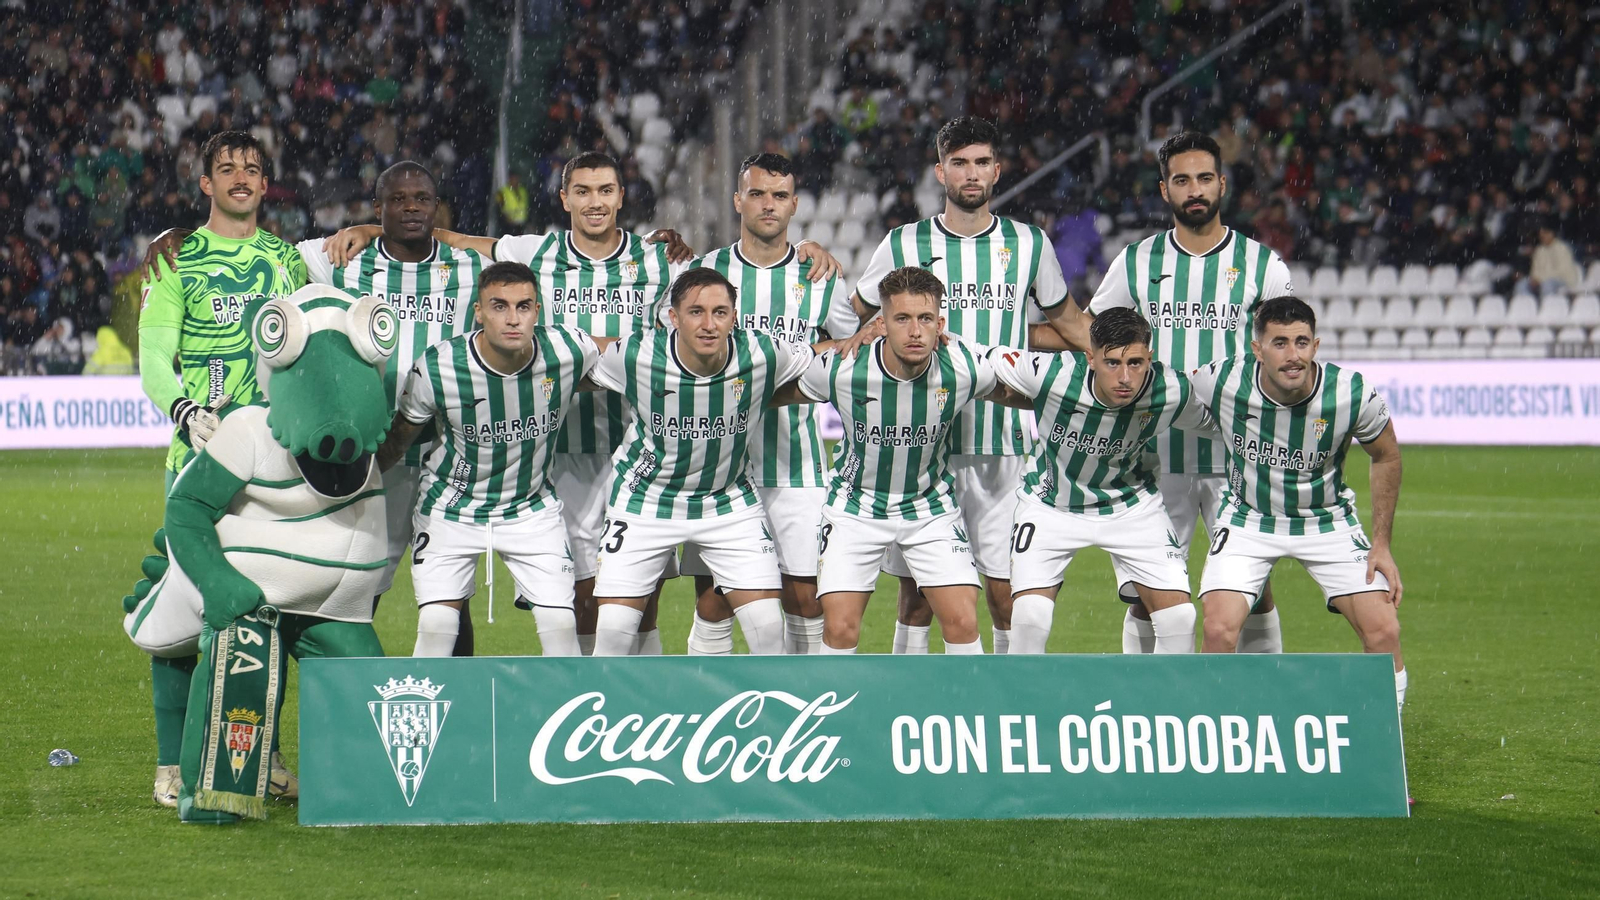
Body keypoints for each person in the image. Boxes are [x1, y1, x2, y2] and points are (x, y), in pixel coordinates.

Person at [325, 151, 839, 655]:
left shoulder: (658, 257)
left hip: (642, 447)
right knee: (586, 593)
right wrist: (372, 231)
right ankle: (601, 688)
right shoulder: (534, 252)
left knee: (647, 590)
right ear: (565, 198)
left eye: (606, 191)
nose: (596, 202)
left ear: (620, 198)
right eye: (584, 191)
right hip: (559, 450)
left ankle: (645, 685)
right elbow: (445, 239)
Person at [147, 162, 489, 645]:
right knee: (357, 583)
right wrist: (178, 236)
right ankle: (349, 689)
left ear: (437, 206)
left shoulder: (470, 267)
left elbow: (516, 259)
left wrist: (378, 228)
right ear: (378, 207)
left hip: (447, 455)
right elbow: (250, 245)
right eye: (397, 200)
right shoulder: (337, 260)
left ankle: (457, 704)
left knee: (451, 597)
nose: (411, 207)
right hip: (372, 456)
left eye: (421, 199)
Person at [1050, 130, 1296, 655]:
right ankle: (1150, 704)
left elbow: (1285, 353)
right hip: (1156, 456)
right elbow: (1093, 334)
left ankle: (1264, 696)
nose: (1194, 189)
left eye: (1204, 178)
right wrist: (1013, 335)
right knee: (1148, 591)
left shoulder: (1264, 267)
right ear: (1165, 190)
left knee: (1252, 589)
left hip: (1239, 454)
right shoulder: (1138, 262)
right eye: (1181, 180)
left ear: (1222, 184)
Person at [851, 116, 1073, 656]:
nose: (970, 174)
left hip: (1004, 437)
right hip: (921, 439)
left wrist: (1116, 354)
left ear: (997, 171)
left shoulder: (1028, 244)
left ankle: (1005, 701)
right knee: (919, 592)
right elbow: (854, 316)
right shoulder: (905, 241)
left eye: (980, 163)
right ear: (940, 171)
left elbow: (1066, 322)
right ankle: (913, 693)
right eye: (959, 163)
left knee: (1003, 590)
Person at [134, 130, 306, 808]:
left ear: (266, 186)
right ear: (205, 183)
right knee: (185, 609)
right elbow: (153, 356)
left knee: (272, 608)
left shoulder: (287, 261)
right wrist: (182, 410)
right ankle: (172, 762)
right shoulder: (176, 258)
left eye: (252, 169)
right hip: (199, 459)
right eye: (226, 168)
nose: (240, 177)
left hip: (271, 463)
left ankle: (260, 755)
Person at [580, 268, 826, 656]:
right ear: (673, 318)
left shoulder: (761, 352)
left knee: (767, 626)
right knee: (612, 631)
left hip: (727, 501)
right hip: (646, 500)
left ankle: (761, 712)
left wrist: (864, 338)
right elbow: (569, 366)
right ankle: (632, 709)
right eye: (696, 312)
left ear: (734, 316)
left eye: (720, 312)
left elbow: (820, 355)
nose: (709, 324)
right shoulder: (637, 355)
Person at [679, 152, 861, 656]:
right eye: (756, 193)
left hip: (797, 466)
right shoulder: (706, 269)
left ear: (795, 205)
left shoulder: (820, 278)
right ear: (738, 200)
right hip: (717, 470)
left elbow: (854, 352)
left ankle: (803, 712)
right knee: (716, 600)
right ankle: (707, 703)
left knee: (804, 600)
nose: (767, 204)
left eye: (779, 196)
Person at [1189, 297, 1406, 711]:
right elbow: (1163, 394)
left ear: (1316, 345)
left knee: (1384, 631)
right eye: (1281, 343)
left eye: (1302, 342)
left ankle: (1383, 739)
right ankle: (1216, 733)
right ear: (1258, 349)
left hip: (1328, 523)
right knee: (1218, 630)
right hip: (1248, 520)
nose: (1294, 356)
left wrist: (1381, 545)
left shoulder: (1351, 392)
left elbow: (1387, 454)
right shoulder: (1221, 380)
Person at [377, 262, 599, 658]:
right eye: (499, 306)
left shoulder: (568, 350)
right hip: (451, 509)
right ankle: (435, 717)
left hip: (531, 511)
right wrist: (358, 482)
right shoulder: (438, 368)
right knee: (437, 628)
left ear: (538, 310)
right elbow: (399, 438)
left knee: (562, 628)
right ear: (478, 312)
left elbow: (634, 358)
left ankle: (563, 716)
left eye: (524, 306)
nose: (513, 318)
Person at [777, 266, 996, 654]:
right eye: (903, 319)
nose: (915, 331)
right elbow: (775, 390)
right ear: (882, 323)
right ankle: (833, 714)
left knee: (963, 622)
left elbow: (1024, 390)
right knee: (841, 628)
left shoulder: (964, 365)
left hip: (929, 507)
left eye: (925, 319)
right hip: (854, 507)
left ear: (940, 323)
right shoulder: (843, 367)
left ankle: (960, 711)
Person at [989, 308, 1213, 654]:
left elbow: (1214, 424)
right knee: (1031, 616)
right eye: (1112, 363)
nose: (1125, 377)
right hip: (1052, 505)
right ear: (1090, 358)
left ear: (1150, 358)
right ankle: (1025, 703)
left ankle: (1167, 704)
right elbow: (981, 359)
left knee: (1179, 618)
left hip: (1132, 506)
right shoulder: (1051, 373)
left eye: (1136, 363)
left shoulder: (1172, 389)